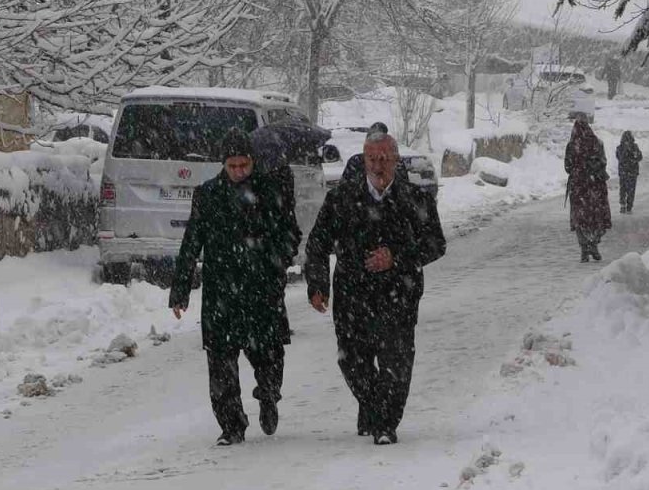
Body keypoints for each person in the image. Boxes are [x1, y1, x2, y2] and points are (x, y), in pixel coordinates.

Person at [304, 132, 446, 445]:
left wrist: (396, 256)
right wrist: (317, 284)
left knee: (396, 362)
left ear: (396, 160)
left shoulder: (415, 199)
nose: (378, 165)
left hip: (399, 294)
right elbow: (316, 245)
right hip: (353, 295)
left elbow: (436, 243)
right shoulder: (342, 198)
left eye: (384, 159)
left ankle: (385, 424)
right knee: (352, 361)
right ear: (363, 160)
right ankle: (371, 405)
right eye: (372, 159)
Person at [170, 128, 301, 446]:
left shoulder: (270, 190)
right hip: (221, 291)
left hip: (262, 287)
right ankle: (232, 425)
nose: (239, 172)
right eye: (233, 166)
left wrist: (276, 260)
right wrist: (180, 291)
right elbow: (191, 243)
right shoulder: (208, 194)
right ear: (223, 164)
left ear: (252, 162)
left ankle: (268, 395)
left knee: (268, 355)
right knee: (220, 361)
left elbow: (290, 233)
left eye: (244, 165)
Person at [565, 119, 612, 262]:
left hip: (579, 187)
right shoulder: (597, 143)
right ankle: (594, 244)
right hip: (595, 186)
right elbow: (603, 162)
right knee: (596, 217)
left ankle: (584, 248)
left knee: (580, 219)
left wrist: (578, 170)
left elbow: (567, 166)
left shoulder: (572, 145)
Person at [616, 131, 643, 214]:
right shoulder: (620, 148)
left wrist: (634, 156)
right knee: (627, 190)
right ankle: (625, 205)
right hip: (628, 172)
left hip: (628, 172)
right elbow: (620, 158)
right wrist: (632, 156)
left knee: (625, 189)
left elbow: (639, 157)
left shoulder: (634, 147)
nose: (627, 142)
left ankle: (626, 205)